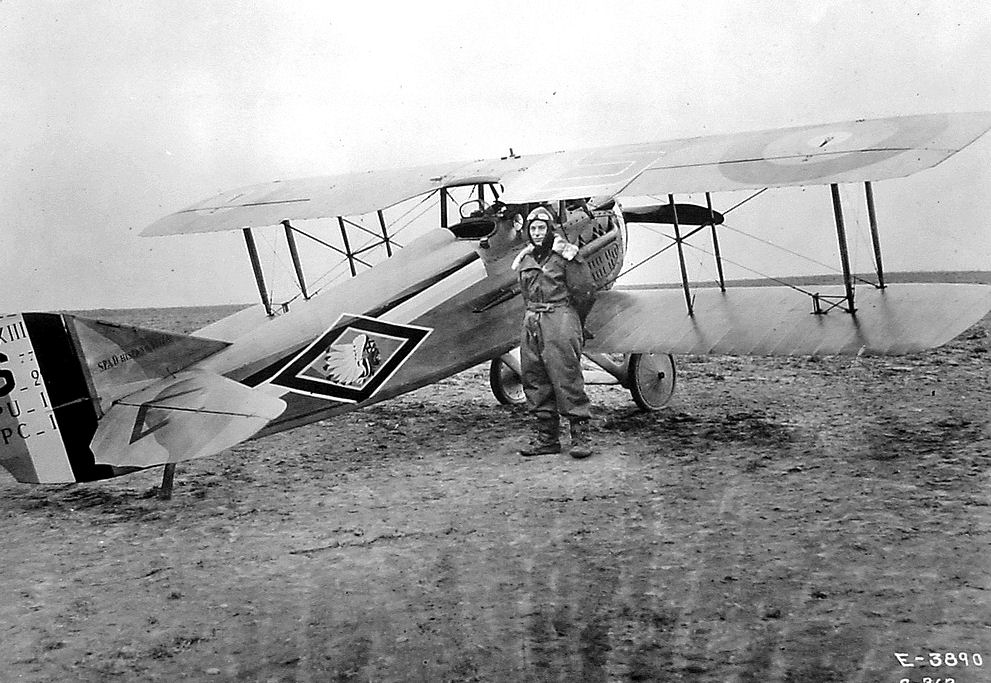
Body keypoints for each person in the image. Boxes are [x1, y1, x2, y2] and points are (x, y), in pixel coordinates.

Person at [513, 205, 597, 459]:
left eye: (541, 228)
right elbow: (526, 294)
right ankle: (546, 439)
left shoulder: (566, 257)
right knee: (534, 378)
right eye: (533, 229)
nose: (537, 233)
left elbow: (585, 292)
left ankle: (580, 437)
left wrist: (572, 321)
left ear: (550, 230)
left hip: (559, 317)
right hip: (532, 320)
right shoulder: (526, 259)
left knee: (566, 377)